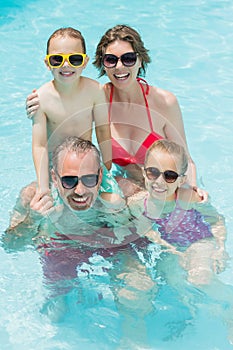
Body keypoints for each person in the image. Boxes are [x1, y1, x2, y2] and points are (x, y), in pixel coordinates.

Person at [3, 136, 158, 347]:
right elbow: (10, 246)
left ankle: (134, 342)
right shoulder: (32, 196)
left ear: (100, 175)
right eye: (69, 180)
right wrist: (33, 219)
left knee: (138, 290)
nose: (80, 191)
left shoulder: (121, 193)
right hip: (60, 247)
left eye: (89, 179)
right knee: (56, 314)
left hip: (109, 241)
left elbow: (155, 221)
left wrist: (126, 217)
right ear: (54, 178)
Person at [27, 24, 207, 200]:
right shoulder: (98, 96)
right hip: (129, 192)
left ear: (140, 60)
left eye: (128, 58)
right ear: (103, 65)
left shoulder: (165, 102)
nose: (119, 67)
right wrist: (35, 105)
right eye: (111, 60)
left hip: (164, 189)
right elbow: (66, 103)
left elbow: (186, 160)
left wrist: (191, 188)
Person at [27, 27, 114, 210]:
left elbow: (103, 131)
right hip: (57, 171)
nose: (66, 66)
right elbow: (39, 145)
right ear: (47, 63)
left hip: (87, 167)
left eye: (75, 59)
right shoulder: (41, 98)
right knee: (34, 203)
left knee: (115, 204)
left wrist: (106, 170)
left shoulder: (95, 92)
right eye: (57, 59)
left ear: (85, 62)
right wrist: (43, 187)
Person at [127, 139, 227, 285]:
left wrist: (221, 247)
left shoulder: (188, 197)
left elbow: (216, 219)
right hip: (169, 248)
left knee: (201, 278)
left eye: (170, 176)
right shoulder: (137, 204)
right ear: (144, 172)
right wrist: (176, 252)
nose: (159, 181)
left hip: (199, 242)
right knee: (171, 281)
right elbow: (149, 233)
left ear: (181, 180)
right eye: (153, 172)